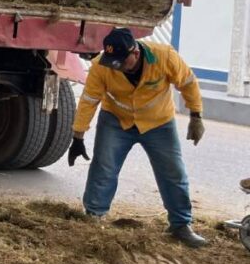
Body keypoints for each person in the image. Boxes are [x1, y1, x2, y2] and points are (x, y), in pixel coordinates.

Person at [69, 28, 207, 247]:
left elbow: (188, 83)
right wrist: (78, 135)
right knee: (103, 168)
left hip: (158, 123)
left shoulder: (164, 57)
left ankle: (181, 225)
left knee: (173, 172)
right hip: (116, 121)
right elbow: (89, 99)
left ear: (135, 52)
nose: (117, 67)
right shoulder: (101, 66)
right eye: (112, 61)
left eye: (121, 62)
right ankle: (93, 218)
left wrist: (196, 116)